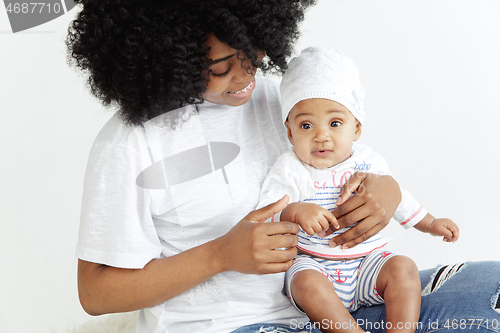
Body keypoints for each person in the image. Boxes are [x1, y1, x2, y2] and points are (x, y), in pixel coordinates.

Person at [66, 1, 500, 332]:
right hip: (238, 325)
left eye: (251, 53)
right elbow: (96, 292)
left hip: (343, 301)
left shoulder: (282, 98)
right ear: (165, 56)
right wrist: (220, 255)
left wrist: (386, 191)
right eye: (220, 67)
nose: (244, 77)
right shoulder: (130, 142)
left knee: (493, 288)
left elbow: (352, 152)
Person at [256, 46, 459, 333]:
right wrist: (296, 210)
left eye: (335, 122)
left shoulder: (368, 162)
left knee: (404, 268)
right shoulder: (290, 168)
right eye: (305, 125)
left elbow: (399, 199)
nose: (321, 135)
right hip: (315, 264)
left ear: (356, 128)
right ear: (289, 132)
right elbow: (267, 212)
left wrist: (430, 223)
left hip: (366, 263)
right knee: (303, 283)